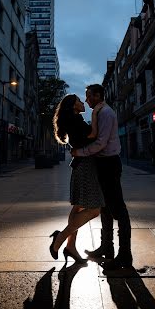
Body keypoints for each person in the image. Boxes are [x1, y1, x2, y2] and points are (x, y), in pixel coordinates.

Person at [71, 84, 133, 270]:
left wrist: (80, 152)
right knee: (104, 207)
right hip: (103, 163)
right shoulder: (99, 112)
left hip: (109, 164)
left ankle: (125, 254)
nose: (87, 100)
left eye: (89, 96)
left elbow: (101, 143)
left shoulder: (105, 113)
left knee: (119, 209)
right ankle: (107, 247)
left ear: (98, 95)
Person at [50, 94, 104, 264]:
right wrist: (95, 114)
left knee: (78, 208)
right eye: (80, 101)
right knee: (95, 209)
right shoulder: (75, 120)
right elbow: (94, 135)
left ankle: (71, 247)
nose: (82, 103)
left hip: (82, 164)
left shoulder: (74, 119)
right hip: (86, 166)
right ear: (74, 106)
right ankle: (60, 238)